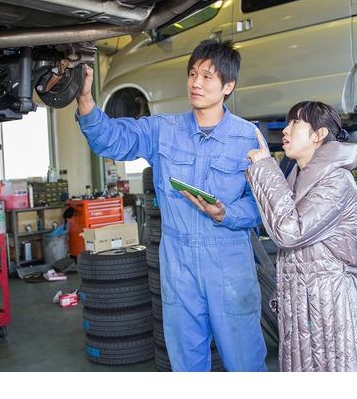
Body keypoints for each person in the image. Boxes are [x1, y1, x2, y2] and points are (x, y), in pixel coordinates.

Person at [75, 39, 267, 372]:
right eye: (193, 73)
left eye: (208, 76)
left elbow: (263, 207)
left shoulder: (249, 137)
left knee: (244, 361)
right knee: (185, 362)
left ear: (228, 86)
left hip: (229, 262)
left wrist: (227, 214)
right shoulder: (163, 130)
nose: (196, 82)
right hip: (178, 262)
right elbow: (112, 139)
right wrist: (86, 100)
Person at [245, 100, 357, 372]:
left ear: (318, 135)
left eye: (295, 123)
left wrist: (265, 168)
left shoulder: (336, 181)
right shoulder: (298, 179)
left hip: (335, 308)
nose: (285, 130)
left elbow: (290, 231)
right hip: (304, 308)